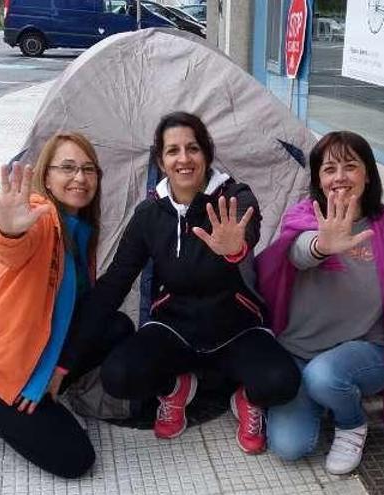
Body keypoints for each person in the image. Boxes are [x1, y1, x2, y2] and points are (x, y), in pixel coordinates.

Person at [75, 111, 300, 455]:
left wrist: (235, 249)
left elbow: (247, 229)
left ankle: (246, 398)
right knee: (118, 376)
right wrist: (66, 359)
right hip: (175, 327)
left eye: (192, 148)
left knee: (282, 383)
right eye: (172, 151)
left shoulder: (235, 197)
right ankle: (176, 388)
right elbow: (115, 282)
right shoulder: (150, 215)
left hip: (236, 328)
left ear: (206, 154)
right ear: (161, 162)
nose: (184, 158)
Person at [256, 131, 384, 474]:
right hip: (299, 351)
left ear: (368, 174)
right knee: (290, 446)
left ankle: (350, 422)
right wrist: (322, 246)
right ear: (318, 177)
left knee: (325, 376)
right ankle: (326, 397)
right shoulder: (302, 217)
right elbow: (297, 254)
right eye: (329, 168)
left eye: (350, 166)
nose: (340, 177)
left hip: (366, 350)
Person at [0, 133, 134, 478]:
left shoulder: (80, 228)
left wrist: (56, 370)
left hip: (34, 355)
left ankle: (43, 391)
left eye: (88, 169)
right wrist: (9, 231)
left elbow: (73, 310)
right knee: (75, 459)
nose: (80, 177)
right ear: (46, 176)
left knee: (115, 326)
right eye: (67, 168)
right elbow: (12, 249)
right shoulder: (40, 218)